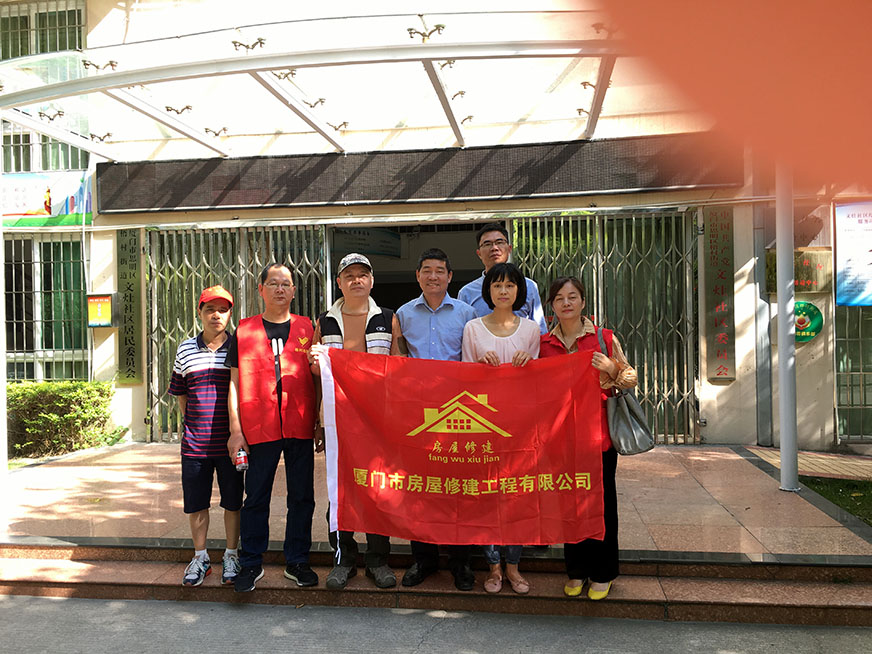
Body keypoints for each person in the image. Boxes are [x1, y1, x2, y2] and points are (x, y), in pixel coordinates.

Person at [539, 276, 637, 601]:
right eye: (559, 298)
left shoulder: (603, 338)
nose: (566, 303)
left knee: (602, 503)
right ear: (552, 305)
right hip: (561, 439)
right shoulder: (544, 345)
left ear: (583, 301)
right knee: (569, 502)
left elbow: (631, 377)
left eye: (572, 297)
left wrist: (611, 367)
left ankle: (603, 572)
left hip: (598, 437)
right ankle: (576, 569)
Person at [309, 253, 403, 590]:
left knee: (377, 488)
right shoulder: (325, 322)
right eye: (349, 275)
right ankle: (343, 559)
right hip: (337, 419)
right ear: (339, 283)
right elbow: (315, 374)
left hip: (378, 419)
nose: (356, 280)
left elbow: (400, 366)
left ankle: (378, 560)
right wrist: (318, 420)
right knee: (340, 489)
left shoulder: (388, 318)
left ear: (372, 281)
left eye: (363, 274)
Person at [225, 263, 320, 593]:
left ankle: (298, 560)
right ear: (261, 289)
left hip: (299, 422)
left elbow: (317, 378)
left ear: (294, 291)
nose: (280, 289)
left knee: (302, 496)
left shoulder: (308, 327)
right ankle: (251, 561)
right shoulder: (244, 330)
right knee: (256, 496)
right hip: (258, 424)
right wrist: (236, 430)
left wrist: (318, 420)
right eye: (274, 283)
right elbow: (234, 382)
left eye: (286, 284)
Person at [396, 248, 478, 591]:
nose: (433, 276)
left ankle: (461, 562)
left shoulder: (467, 313)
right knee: (420, 489)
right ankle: (424, 559)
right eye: (427, 270)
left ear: (449, 276)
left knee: (458, 491)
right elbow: (397, 360)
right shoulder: (403, 314)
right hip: (419, 414)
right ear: (418, 276)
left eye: (440, 271)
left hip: (457, 415)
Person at [461, 262, 539, 594]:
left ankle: (514, 566)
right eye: (497, 285)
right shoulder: (473, 328)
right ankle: (493, 566)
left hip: (520, 426)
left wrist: (529, 365)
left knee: (517, 495)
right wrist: (480, 367)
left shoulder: (531, 330)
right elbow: (464, 378)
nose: (503, 291)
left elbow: (539, 382)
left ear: (519, 290)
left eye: (509, 285)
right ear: (488, 291)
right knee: (487, 497)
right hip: (484, 426)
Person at [168, 285, 242, 587]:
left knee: (233, 502)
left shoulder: (238, 347)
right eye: (210, 309)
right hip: (195, 444)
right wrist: (192, 425)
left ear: (230, 314)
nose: (216, 315)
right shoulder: (185, 349)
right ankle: (200, 557)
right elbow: (180, 392)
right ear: (199, 312)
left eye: (222, 310)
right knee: (197, 503)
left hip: (231, 443)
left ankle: (231, 555)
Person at [458, 222, 547, 334]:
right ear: (479, 253)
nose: (494, 248)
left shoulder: (529, 286)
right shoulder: (467, 293)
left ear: (509, 249)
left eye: (499, 242)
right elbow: (462, 334)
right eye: (487, 244)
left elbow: (540, 330)